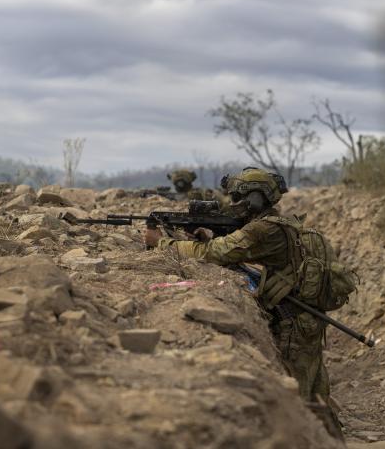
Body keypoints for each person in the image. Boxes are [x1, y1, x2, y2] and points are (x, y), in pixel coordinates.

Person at [146, 166, 343, 432]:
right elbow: (240, 251)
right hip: (305, 321)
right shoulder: (277, 225)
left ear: (256, 198)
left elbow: (214, 253)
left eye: (239, 197)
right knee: (316, 392)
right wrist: (210, 234)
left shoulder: (263, 230)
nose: (234, 203)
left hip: (292, 327)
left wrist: (161, 243)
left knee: (300, 402)